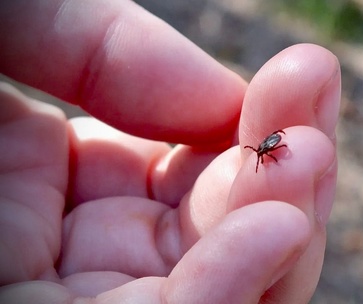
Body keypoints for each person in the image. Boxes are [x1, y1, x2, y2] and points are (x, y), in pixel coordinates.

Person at [0, 0, 340, 302]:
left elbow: (272, 140)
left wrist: (270, 146)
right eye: (262, 155)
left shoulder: (266, 147)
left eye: (263, 155)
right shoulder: (268, 148)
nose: (262, 156)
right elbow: (273, 141)